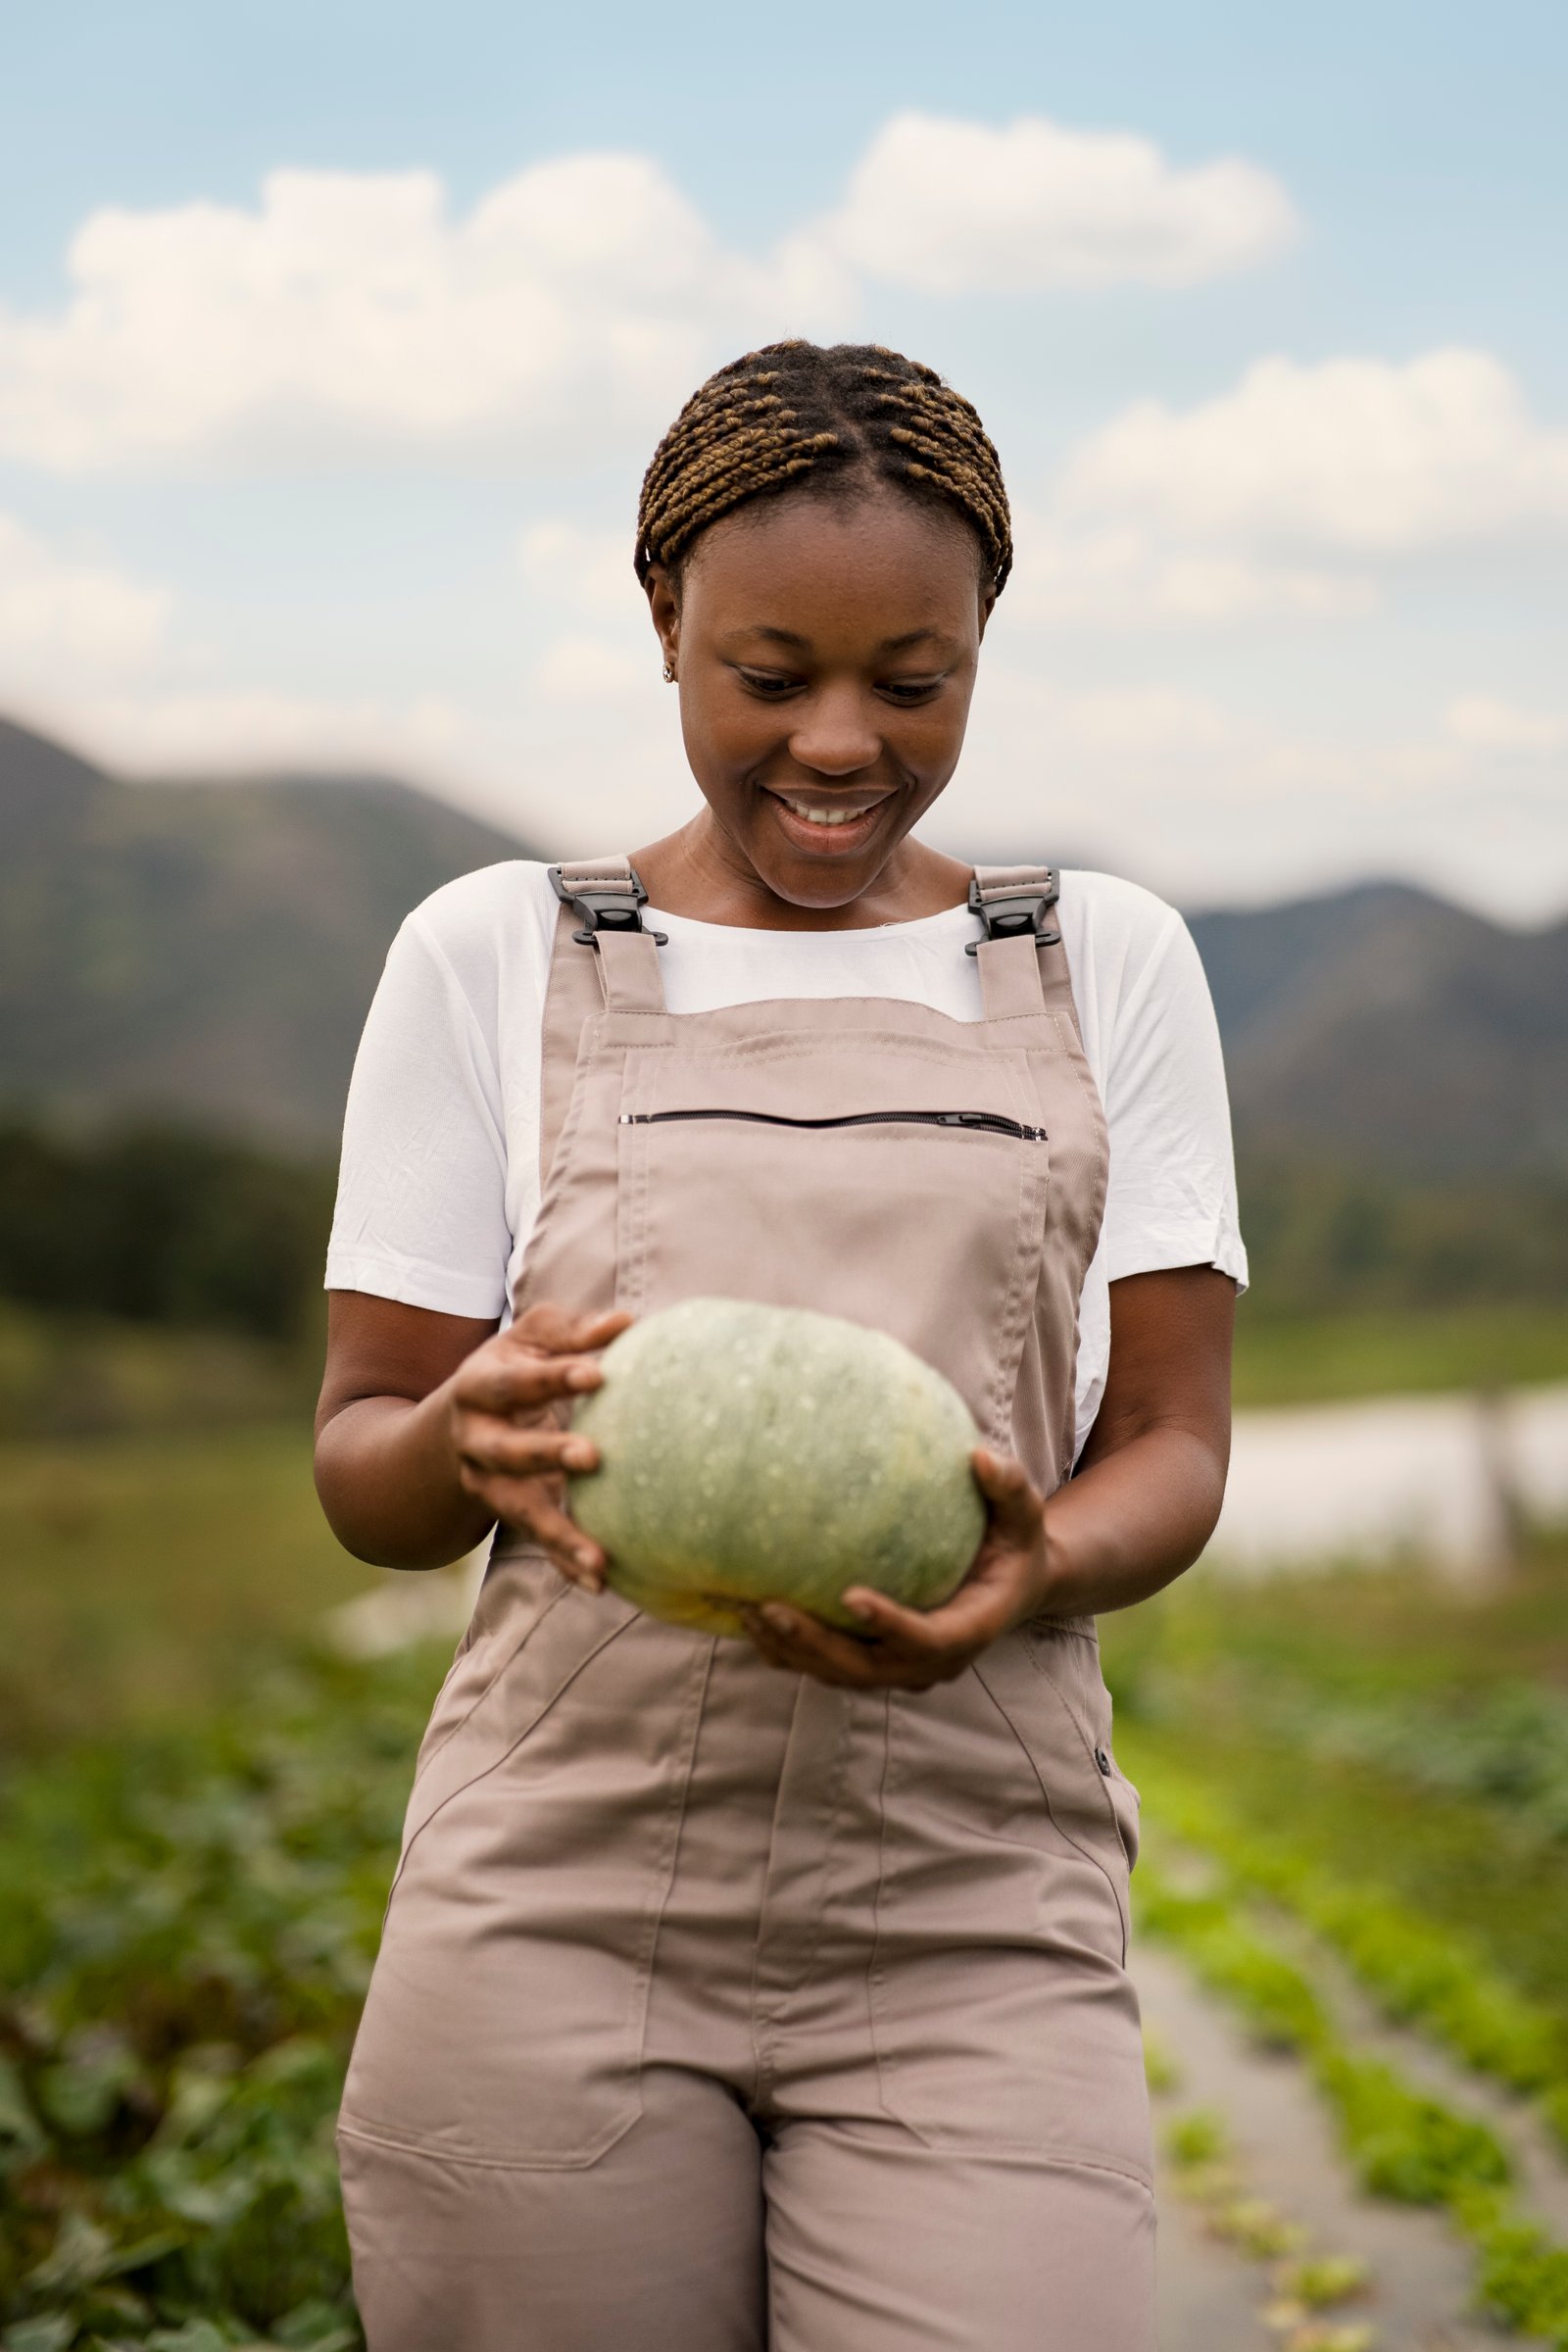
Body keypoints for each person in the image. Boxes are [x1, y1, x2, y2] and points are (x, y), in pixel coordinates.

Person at [314, 340, 1246, 2352]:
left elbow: (1174, 1441)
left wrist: (1036, 1569)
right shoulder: (491, 952)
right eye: (769, 674)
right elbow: (365, 1469)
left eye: (912, 683)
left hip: (972, 1908)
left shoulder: (1104, 962)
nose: (839, 742)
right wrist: (458, 1439)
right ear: (663, 618)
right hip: (554, 1902)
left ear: (983, 643)